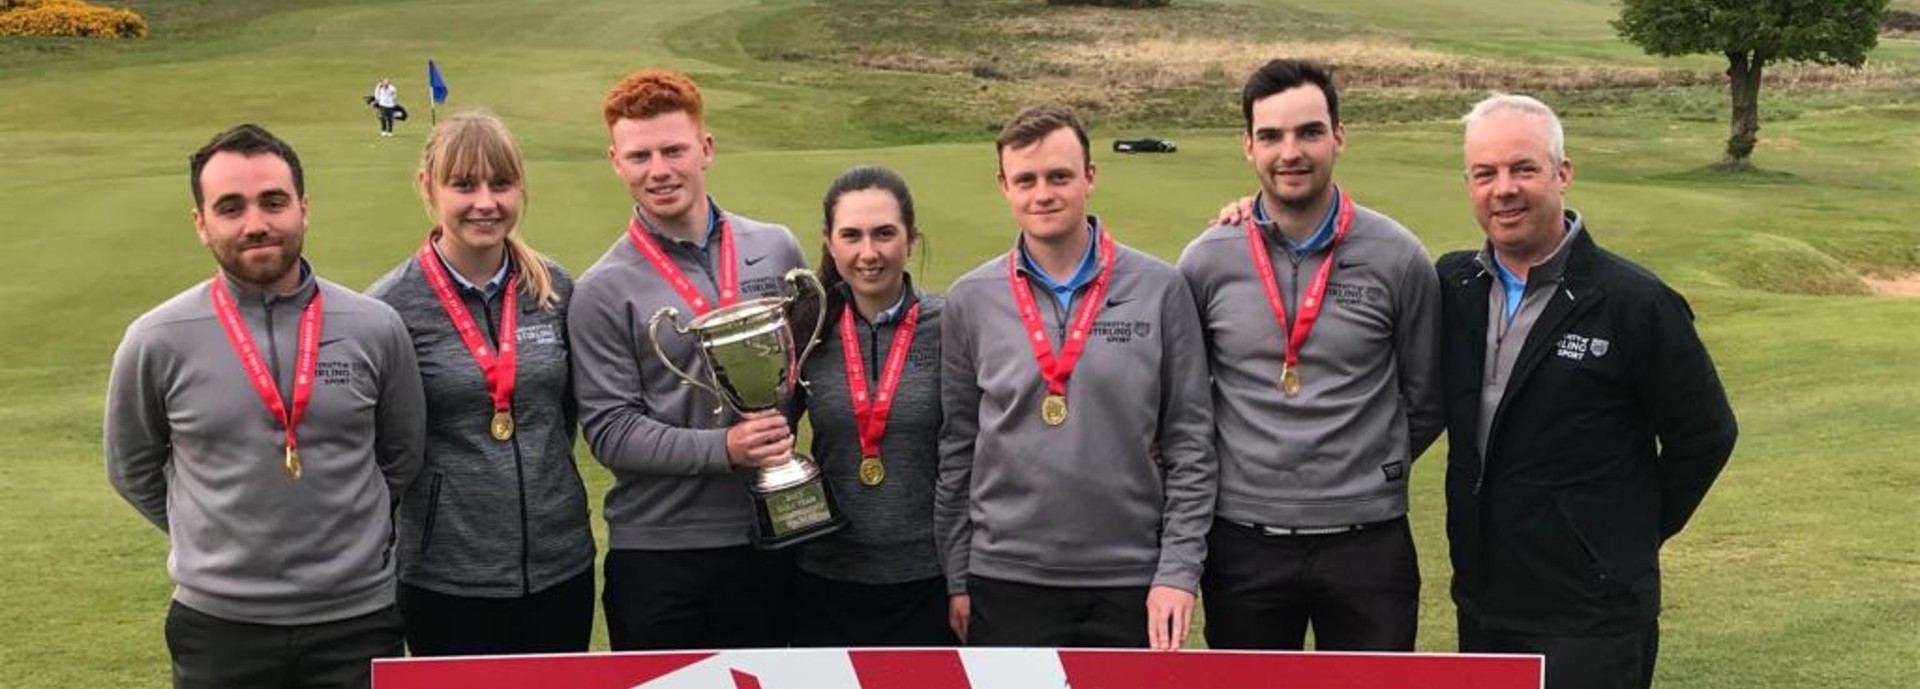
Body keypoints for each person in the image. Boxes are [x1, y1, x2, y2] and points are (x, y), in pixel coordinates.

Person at [104, 123, 426, 689]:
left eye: (273, 201)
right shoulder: (158, 338)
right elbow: (132, 468)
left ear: (304, 207)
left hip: (356, 620)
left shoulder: (374, 327)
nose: (256, 223)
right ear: (201, 223)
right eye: (231, 207)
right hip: (220, 627)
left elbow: (400, 455)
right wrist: (211, 537)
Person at [1437, 94, 1738, 689]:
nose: (1504, 189)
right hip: (1483, 600)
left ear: (1562, 173)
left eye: (1524, 168)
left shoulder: (1633, 301)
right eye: (1485, 173)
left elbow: (1705, 435)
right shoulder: (1454, 284)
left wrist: (1621, 533)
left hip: (1590, 615)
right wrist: (1253, 218)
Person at [1179, 59, 1442, 652]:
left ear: (1338, 137)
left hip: (1368, 543)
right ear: (1248, 147)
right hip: (1243, 543)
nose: (1289, 152)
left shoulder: (1398, 257)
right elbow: (1186, 401)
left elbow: (1427, 396)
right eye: (1270, 136)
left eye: (1308, 132)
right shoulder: (1206, 259)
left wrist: (1366, 467)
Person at [936, 105, 1216, 651]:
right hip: (1006, 577)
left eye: (1060, 176)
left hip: (1130, 579)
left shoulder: (1161, 289)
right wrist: (957, 574)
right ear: (1004, 186)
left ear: (1090, 176)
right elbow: (958, 449)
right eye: (1027, 180)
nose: (1044, 194)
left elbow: (1191, 446)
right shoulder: (970, 299)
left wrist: (1177, 572)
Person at [569, 69, 806, 651]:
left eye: (674, 149)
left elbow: (803, 376)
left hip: (772, 533)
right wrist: (725, 449)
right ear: (615, 162)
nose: (659, 170)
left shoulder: (775, 247)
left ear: (705, 148)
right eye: (640, 155)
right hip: (659, 553)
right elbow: (610, 431)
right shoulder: (602, 289)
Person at [365, 112, 595, 655]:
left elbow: (563, 417)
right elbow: (386, 449)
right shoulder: (389, 308)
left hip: (561, 567)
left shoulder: (555, 288)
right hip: (444, 578)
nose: (485, 203)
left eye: (501, 183)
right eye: (464, 185)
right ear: (428, 187)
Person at [786, 165, 954, 646]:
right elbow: (765, 435)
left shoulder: (953, 324)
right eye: (851, 235)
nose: (868, 253)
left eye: (884, 234)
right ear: (828, 242)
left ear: (911, 238)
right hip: (824, 577)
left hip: (929, 578)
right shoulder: (805, 327)